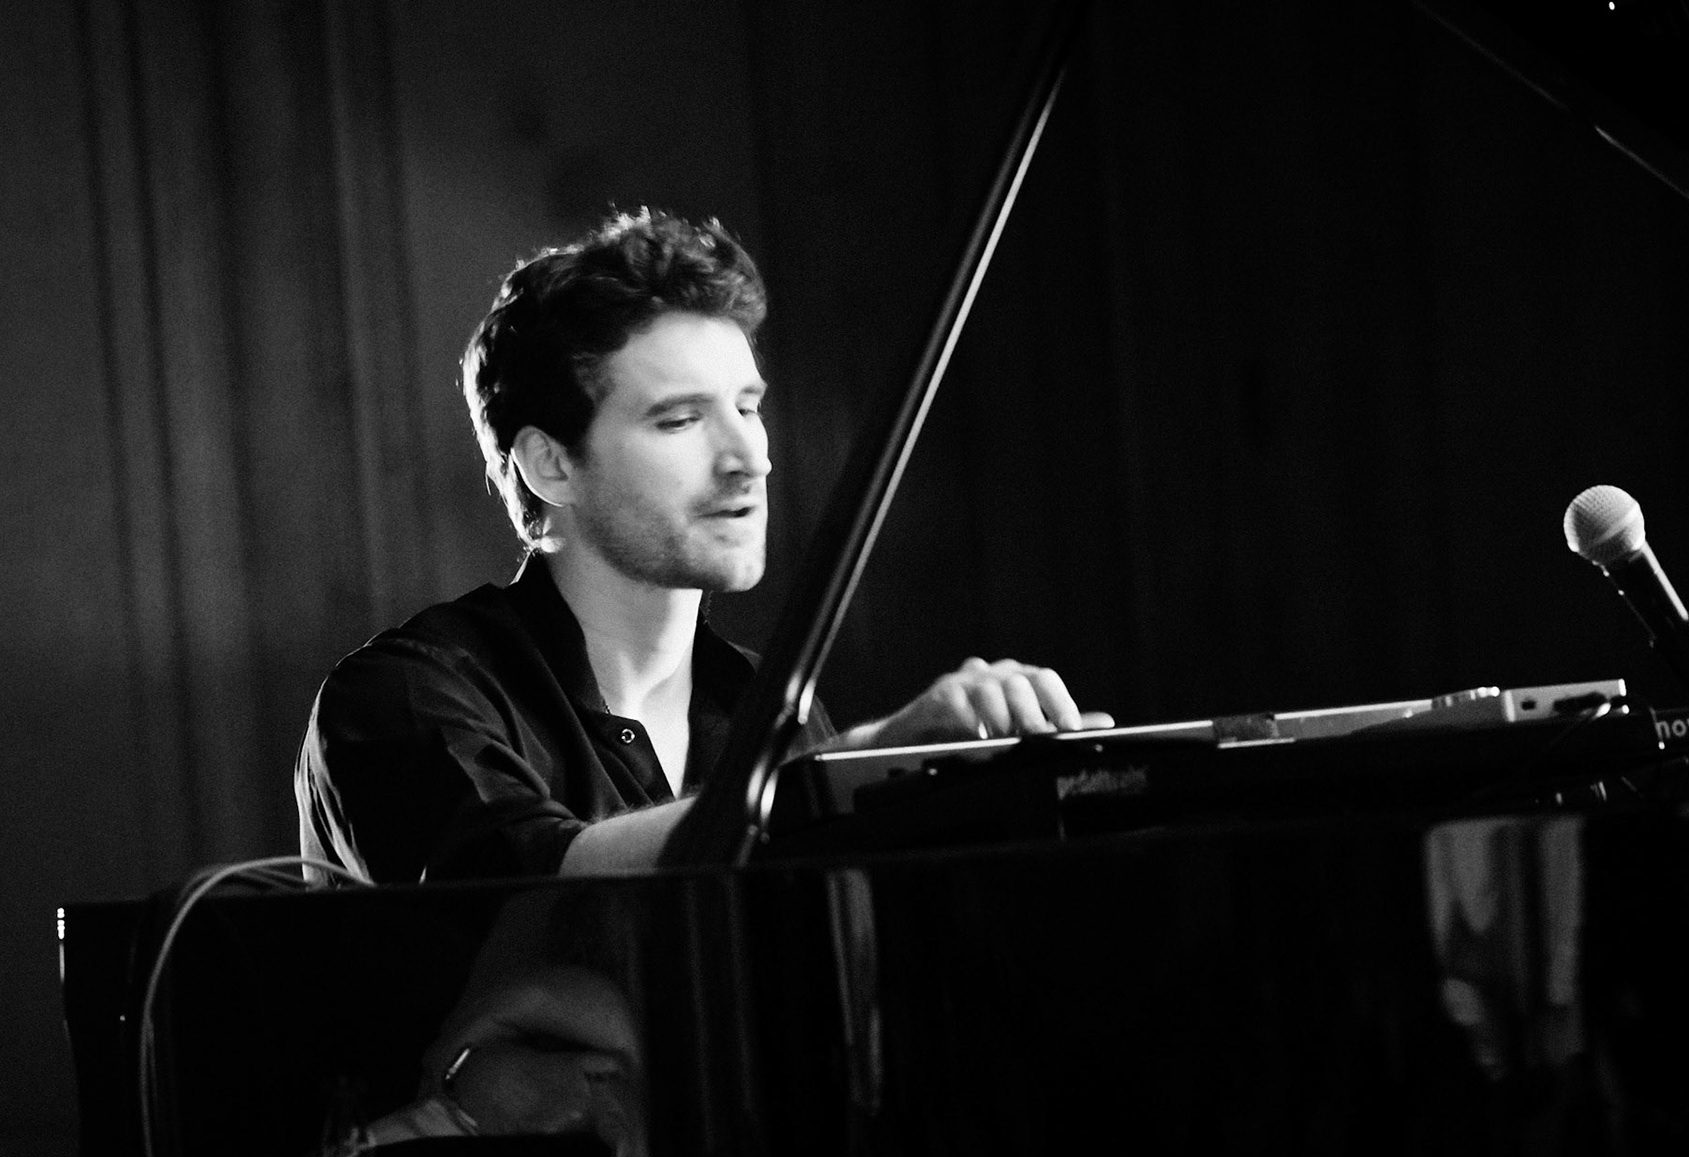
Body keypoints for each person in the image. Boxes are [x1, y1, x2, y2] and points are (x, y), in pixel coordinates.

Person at [297, 207, 1109, 884]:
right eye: (681, 419)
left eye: (748, 408)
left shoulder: (770, 712)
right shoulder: (401, 696)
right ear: (551, 465)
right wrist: (844, 780)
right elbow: (525, 886)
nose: (748, 456)